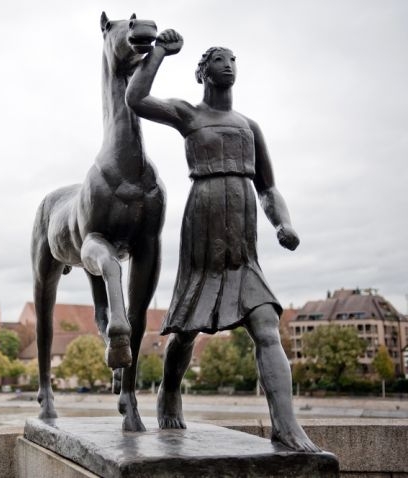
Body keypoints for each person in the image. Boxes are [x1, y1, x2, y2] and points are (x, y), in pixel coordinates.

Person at [125, 29, 319, 453]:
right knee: (187, 330)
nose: (228, 65)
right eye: (218, 60)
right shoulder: (188, 115)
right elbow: (136, 100)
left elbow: (268, 187)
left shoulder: (249, 126)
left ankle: (286, 428)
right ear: (203, 72)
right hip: (203, 230)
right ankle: (170, 391)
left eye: (232, 60)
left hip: (244, 239)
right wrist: (159, 52)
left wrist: (282, 223)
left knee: (266, 324)